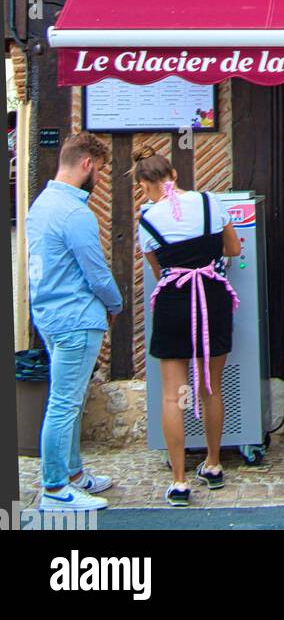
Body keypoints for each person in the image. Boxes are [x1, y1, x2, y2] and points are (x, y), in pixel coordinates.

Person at [135, 149, 241, 506]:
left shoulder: (147, 219)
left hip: (175, 303)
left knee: (174, 395)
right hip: (212, 297)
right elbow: (234, 248)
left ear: (145, 185)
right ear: (175, 174)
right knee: (211, 387)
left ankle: (179, 481)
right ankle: (213, 464)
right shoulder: (210, 202)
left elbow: (157, 270)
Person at [26, 131, 122, 513]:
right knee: (65, 403)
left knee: (69, 399)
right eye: (98, 169)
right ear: (86, 165)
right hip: (76, 316)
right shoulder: (75, 212)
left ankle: (74, 474)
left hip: (50, 312)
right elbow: (96, 272)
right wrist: (115, 304)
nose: (99, 177)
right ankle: (54, 488)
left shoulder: (42, 204)